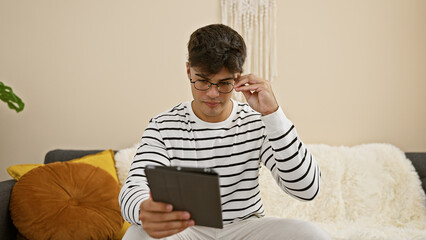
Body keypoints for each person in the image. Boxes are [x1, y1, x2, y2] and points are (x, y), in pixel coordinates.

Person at [119, 24, 330, 240]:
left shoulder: (257, 121)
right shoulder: (162, 125)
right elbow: (133, 186)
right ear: (188, 70)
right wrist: (144, 209)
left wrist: (273, 114)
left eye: (224, 83)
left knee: (310, 234)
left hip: (246, 229)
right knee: (137, 234)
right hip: (185, 231)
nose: (212, 94)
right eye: (202, 80)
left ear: (238, 78)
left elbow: (307, 189)